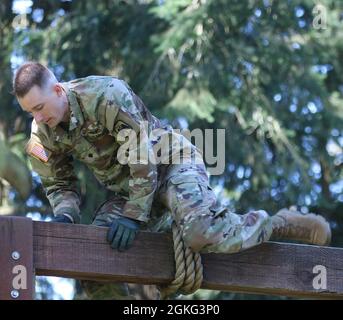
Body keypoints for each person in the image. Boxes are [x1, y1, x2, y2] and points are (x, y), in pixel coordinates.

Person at [13, 62, 331, 299]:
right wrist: (65, 214)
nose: (38, 118)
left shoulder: (106, 95)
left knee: (200, 232)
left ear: (57, 90)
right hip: (128, 191)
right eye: (30, 112)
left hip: (171, 164)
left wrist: (134, 215)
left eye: (40, 107)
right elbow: (57, 182)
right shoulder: (39, 136)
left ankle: (279, 223)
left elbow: (141, 154)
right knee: (91, 258)